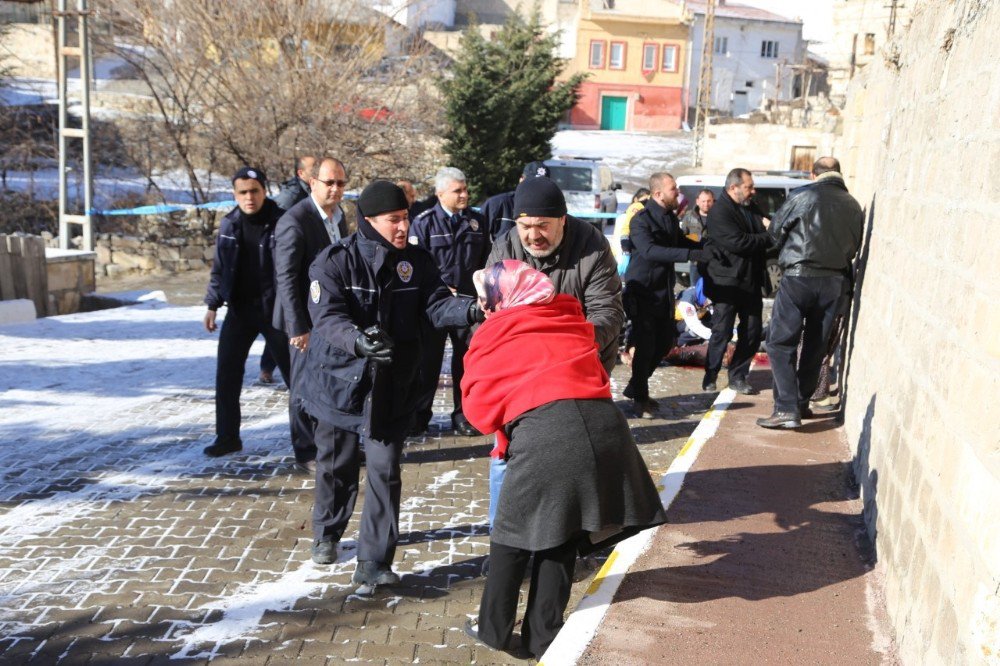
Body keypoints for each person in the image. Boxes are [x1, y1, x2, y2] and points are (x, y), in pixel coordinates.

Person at [460, 260, 667, 659]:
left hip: (548, 434)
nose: (485, 308)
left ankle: (494, 632)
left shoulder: (497, 333)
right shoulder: (567, 319)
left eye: (488, 299)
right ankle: (542, 637)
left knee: (510, 538)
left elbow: (479, 411)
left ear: (506, 298)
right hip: (608, 430)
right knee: (560, 533)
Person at [298, 180, 483, 582]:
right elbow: (327, 319)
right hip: (338, 382)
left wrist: (472, 310)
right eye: (394, 220)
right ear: (367, 221)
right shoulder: (333, 262)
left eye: (406, 219)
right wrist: (358, 342)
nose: (404, 228)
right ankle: (327, 532)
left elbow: (436, 305)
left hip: (392, 384)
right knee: (336, 464)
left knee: (385, 469)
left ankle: (375, 563)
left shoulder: (417, 261)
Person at [484, 176, 624, 527]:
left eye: (542, 226)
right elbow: (488, 316)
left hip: (577, 370)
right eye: (525, 226)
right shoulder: (505, 249)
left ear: (563, 219)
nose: (533, 236)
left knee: (573, 458)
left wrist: (563, 352)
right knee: (506, 455)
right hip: (520, 375)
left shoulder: (592, 247)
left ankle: (568, 537)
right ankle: (504, 540)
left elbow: (607, 313)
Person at [758, 157, 863, 428]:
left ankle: (786, 408)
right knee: (815, 346)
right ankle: (802, 404)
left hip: (798, 277)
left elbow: (775, 234)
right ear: (838, 173)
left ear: (813, 174)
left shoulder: (802, 196)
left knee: (780, 343)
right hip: (834, 282)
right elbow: (856, 244)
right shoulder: (853, 205)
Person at [202, 167, 293, 457]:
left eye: (254, 191)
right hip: (240, 310)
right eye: (243, 192)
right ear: (235, 194)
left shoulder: (282, 222)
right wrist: (212, 305)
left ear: (264, 191)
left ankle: (312, 440)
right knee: (226, 374)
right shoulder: (229, 224)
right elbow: (219, 268)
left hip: (276, 311)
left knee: (297, 378)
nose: (249, 197)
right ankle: (227, 437)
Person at [272, 157, 350, 472]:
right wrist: (296, 327)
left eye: (341, 183)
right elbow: (286, 279)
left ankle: (331, 446)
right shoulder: (295, 220)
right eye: (329, 182)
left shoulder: (340, 215)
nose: (335, 189)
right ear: (312, 182)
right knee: (303, 386)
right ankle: (305, 452)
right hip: (303, 320)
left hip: (330, 316)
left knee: (330, 383)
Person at [408, 167, 490, 436]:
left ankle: (464, 415)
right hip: (435, 305)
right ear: (440, 193)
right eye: (458, 190)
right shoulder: (424, 223)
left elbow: (487, 262)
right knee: (426, 362)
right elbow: (416, 265)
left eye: (465, 189)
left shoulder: (477, 222)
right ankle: (419, 416)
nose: (464, 194)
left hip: (468, 304)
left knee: (466, 361)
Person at [621, 172, 709, 418]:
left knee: (665, 343)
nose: (677, 193)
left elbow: (680, 241)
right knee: (646, 344)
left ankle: (636, 386)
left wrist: (704, 246)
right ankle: (640, 398)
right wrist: (691, 256)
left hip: (663, 290)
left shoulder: (670, 217)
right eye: (673, 189)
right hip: (643, 290)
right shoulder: (641, 220)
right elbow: (650, 251)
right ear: (658, 194)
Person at [701, 168, 771, 395]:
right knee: (721, 331)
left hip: (750, 280)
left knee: (752, 330)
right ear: (734, 188)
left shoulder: (751, 206)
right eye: (749, 186)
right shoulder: (719, 211)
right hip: (727, 282)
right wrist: (766, 235)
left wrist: (765, 231)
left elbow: (770, 223)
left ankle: (738, 376)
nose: (753, 190)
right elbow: (738, 243)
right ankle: (710, 375)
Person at [480, 160, 551, 242]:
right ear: (521, 180)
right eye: (532, 182)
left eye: (542, 184)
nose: (536, 187)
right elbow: (478, 239)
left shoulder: (550, 212)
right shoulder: (497, 204)